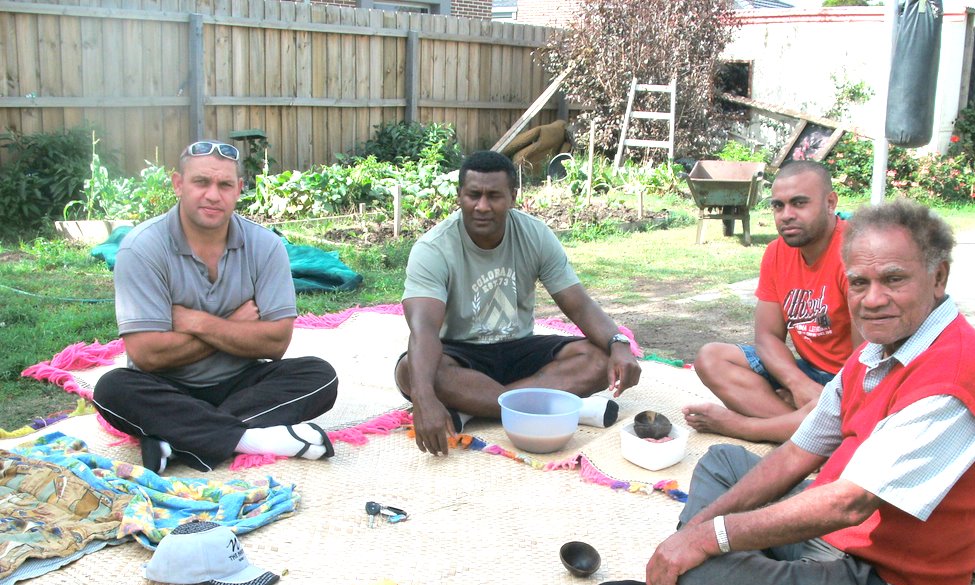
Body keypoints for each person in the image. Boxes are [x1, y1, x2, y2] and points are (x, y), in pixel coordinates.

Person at [593, 199, 975, 585]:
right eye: (858, 282)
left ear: (938, 278)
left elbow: (849, 504)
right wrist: (702, 536)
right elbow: (799, 451)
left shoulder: (955, 377)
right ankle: (705, 574)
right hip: (833, 538)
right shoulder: (878, 349)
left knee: (700, 579)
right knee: (722, 462)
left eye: (894, 279)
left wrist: (712, 536)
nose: (872, 299)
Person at [93, 140, 338, 473]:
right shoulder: (141, 248)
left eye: (224, 185)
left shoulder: (265, 245)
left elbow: (276, 343)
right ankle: (256, 440)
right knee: (112, 390)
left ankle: (176, 439)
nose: (213, 194)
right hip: (165, 386)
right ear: (178, 184)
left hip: (241, 381)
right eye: (201, 182)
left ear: (239, 189)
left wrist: (199, 322)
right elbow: (148, 354)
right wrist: (234, 324)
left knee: (320, 377)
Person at [396, 150, 642, 456]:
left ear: (513, 197)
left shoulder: (535, 235)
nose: (482, 206)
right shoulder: (433, 248)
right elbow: (424, 331)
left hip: (519, 348)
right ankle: (558, 407)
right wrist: (423, 399)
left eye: (494, 196)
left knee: (600, 357)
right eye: (473, 195)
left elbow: (579, 304)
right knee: (411, 371)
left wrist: (619, 344)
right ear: (459, 196)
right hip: (461, 354)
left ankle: (473, 409)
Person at [683, 160, 860, 443]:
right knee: (711, 358)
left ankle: (748, 427)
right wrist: (797, 383)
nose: (786, 215)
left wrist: (823, 395)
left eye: (799, 203)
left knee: (857, 408)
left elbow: (866, 362)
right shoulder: (776, 253)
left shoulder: (857, 252)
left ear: (830, 202)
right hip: (808, 373)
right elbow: (767, 337)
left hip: (852, 380)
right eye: (778, 206)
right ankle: (811, 431)